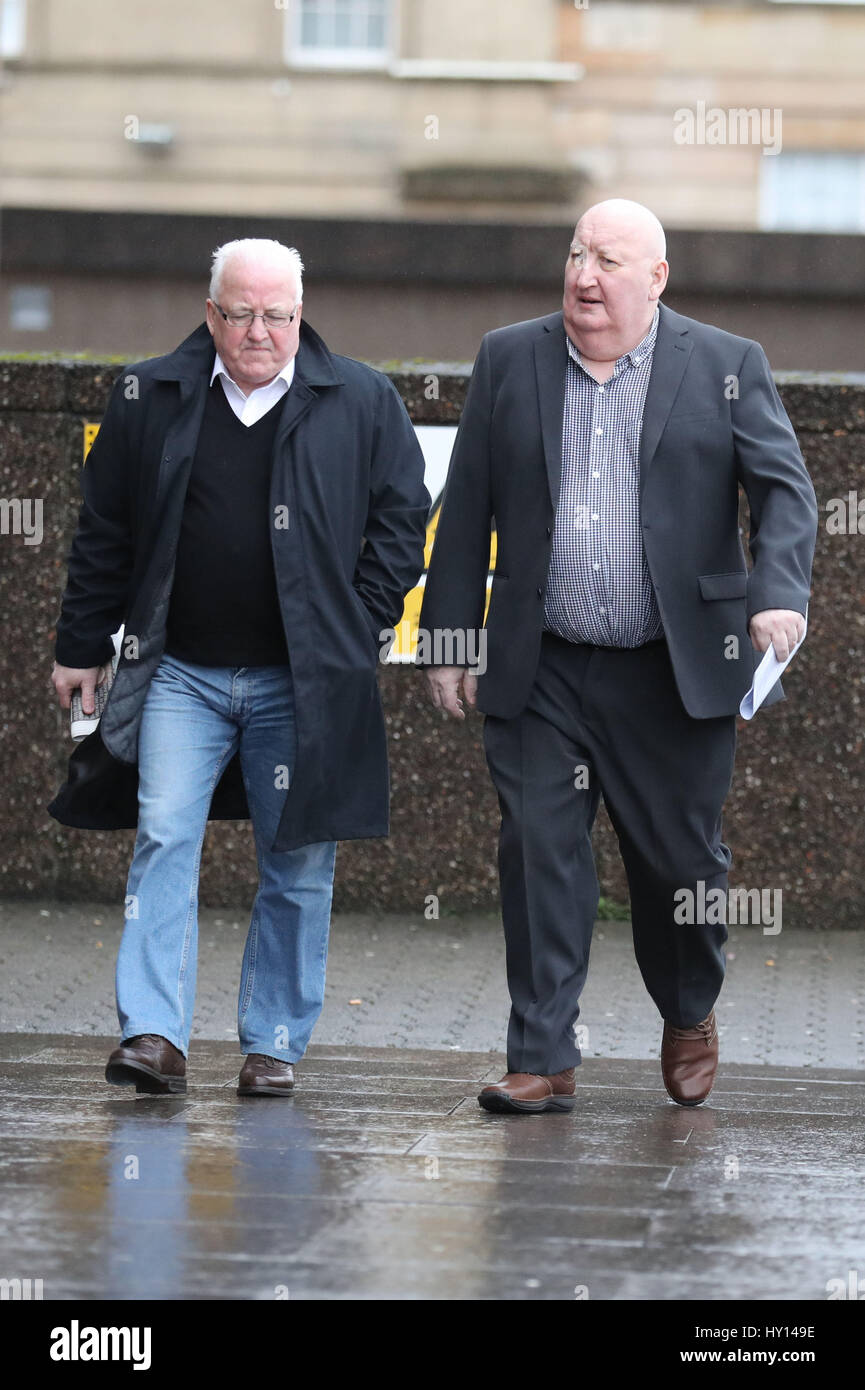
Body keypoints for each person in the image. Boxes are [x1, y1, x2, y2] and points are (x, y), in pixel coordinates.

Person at [419, 199, 817, 1114]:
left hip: (671, 670)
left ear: (656, 278)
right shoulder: (509, 357)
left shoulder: (724, 365)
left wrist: (777, 597)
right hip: (542, 664)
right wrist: (447, 638)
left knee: (679, 868)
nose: (583, 276)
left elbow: (784, 495)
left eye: (606, 260)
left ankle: (688, 1008)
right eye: (574, 254)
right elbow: (465, 505)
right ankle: (543, 1054)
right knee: (539, 852)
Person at [49, 238, 429, 1098]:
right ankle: (152, 1035)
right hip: (180, 673)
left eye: (279, 315)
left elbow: (404, 518)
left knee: (297, 861)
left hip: (302, 681)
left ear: (301, 312)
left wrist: (356, 621)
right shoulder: (150, 393)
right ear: (210, 311)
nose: (261, 331)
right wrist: (80, 645)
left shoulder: (360, 398)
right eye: (242, 313)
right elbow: (102, 529)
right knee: (163, 837)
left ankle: (273, 1046)